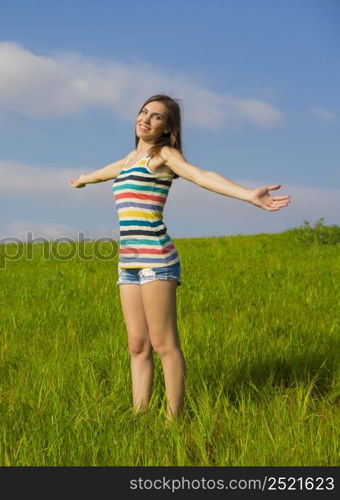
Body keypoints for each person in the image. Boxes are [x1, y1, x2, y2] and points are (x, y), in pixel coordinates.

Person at [68, 94, 291, 420]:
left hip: (157, 259)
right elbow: (103, 172)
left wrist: (247, 195)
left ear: (167, 128)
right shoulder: (128, 160)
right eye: (144, 112)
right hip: (128, 261)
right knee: (136, 345)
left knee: (163, 344)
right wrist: (83, 180)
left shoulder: (164, 156)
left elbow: (201, 175)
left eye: (156, 116)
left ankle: (174, 420)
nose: (146, 118)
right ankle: (139, 416)